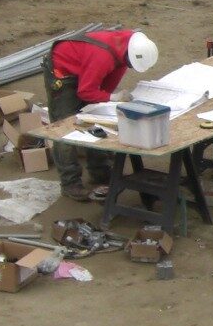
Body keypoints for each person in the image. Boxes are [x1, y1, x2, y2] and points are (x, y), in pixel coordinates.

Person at [43, 28, 158, 201]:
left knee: (96, 120)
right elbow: (85, 92)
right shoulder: (103, 56)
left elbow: (103, 90)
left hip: (85, 68)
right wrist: (113, 98)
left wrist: (107, 99)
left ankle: (99, 171)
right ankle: (69, 183)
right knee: (65, 128)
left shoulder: (124, 55)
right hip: (63, 72)